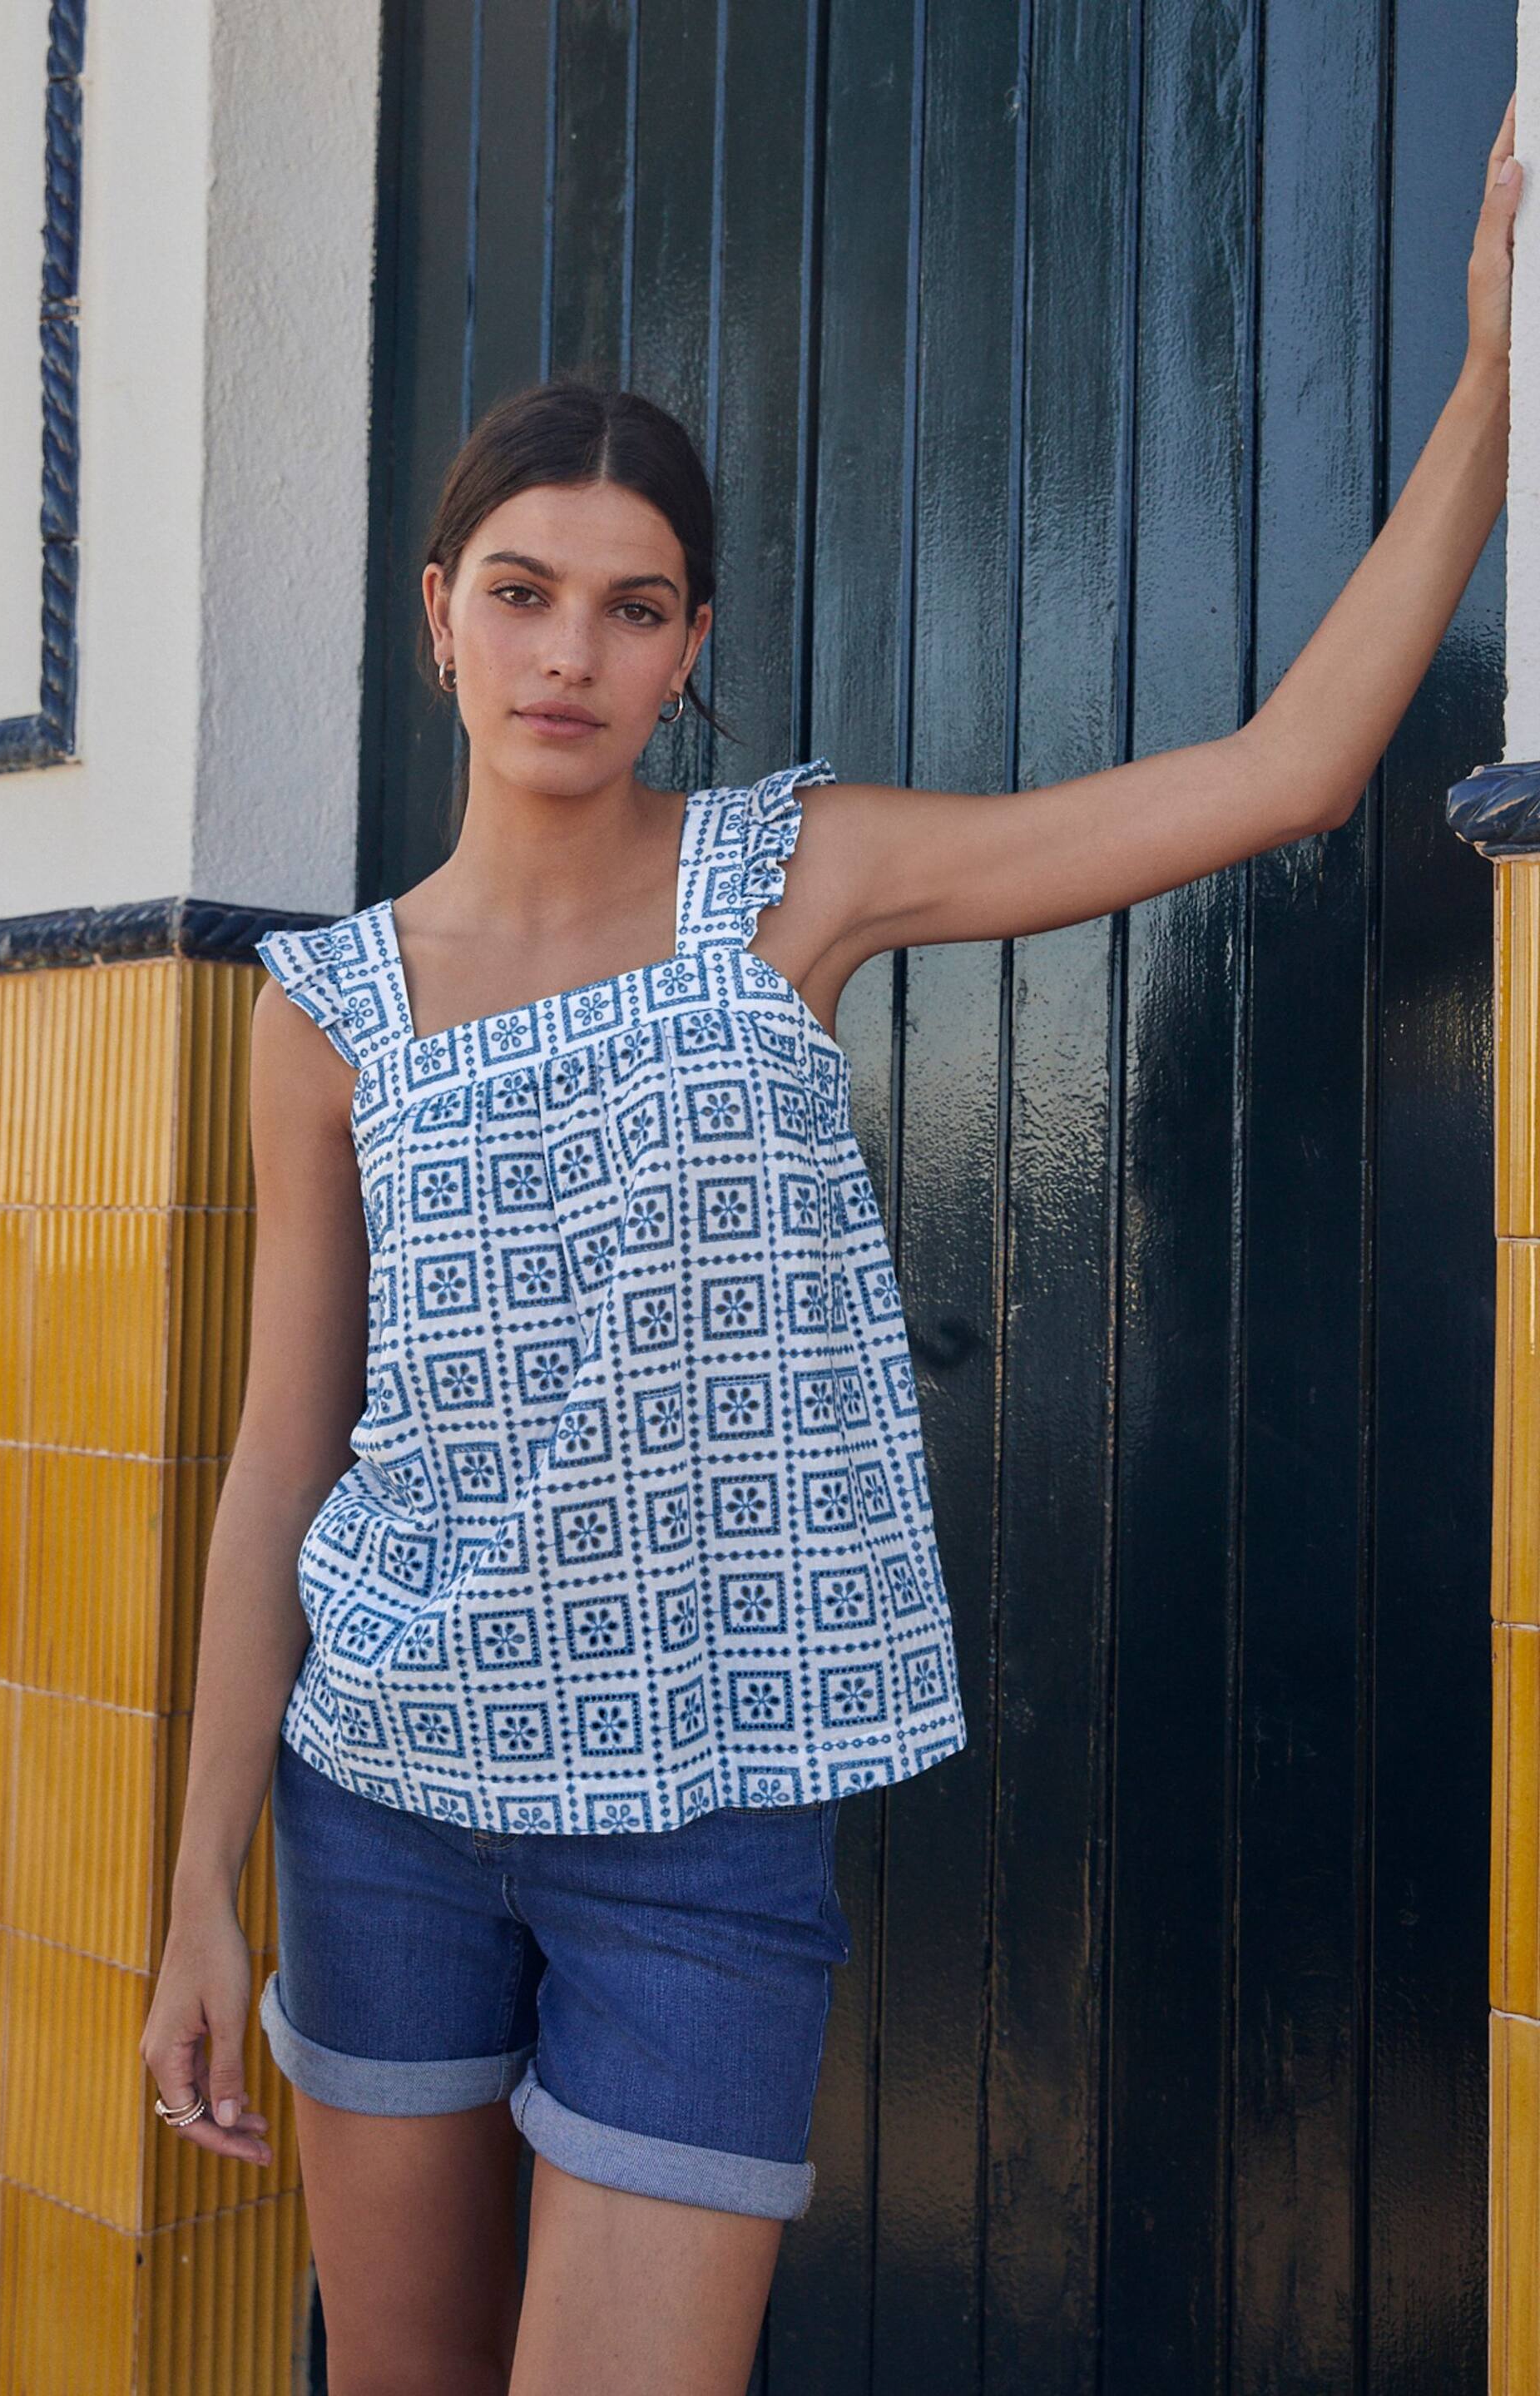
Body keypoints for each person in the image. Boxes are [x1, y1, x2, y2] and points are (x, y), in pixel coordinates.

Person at [140, 92, 1521, 2396]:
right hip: (382, 1799)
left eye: (631, 605)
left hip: (696, 1819)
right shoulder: (325, 1011)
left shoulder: (799, 878)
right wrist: (201, 1880)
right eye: (521, 592)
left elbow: (1280, 775)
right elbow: (286, 1461)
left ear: (691, 647)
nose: (568, 651)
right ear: (438, 618)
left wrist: (1492, 377)